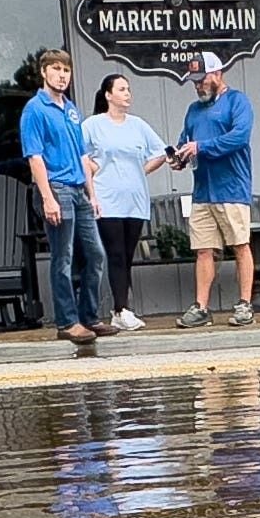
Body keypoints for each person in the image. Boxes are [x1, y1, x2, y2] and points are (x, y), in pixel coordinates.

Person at [18, 45, 107, 351]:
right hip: (56, 188)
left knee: (95, 254)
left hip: (79, 190)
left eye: (66, 70)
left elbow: (83, 154)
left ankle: (90, 316)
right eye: (55, 69)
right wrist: (48, 198)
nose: (61, 75)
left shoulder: (71, 108)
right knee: (63, 257)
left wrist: (92, 194)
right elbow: (35, 158)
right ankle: (67, 322)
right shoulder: (35, 109)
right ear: (43, 72)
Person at [169, 49, 258, 329]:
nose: (197, 85)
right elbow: (186, 140)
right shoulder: (193, 111)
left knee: (240, 246)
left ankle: (245, 305)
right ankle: (201, 308)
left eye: (201, 78)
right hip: (202, 192)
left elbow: (239, 138)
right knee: (204, 250)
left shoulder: (237, 102)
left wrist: (201, 147)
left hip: (232, 189)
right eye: (194, 80)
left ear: (217, 73)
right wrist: (180, 157)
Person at [80, 73, 170, 335]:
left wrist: (142, 170)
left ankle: (122, 310)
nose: (127, 93)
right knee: (116, 254)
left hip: (135, 200)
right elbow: (81, 157)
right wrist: (92, 193)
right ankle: (121, 309)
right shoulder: (93, 125)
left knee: (127, 256)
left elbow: (161, 152)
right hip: (107, 199)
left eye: (128, 89)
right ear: (108, 95)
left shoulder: (138, 125)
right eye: (121, 89)